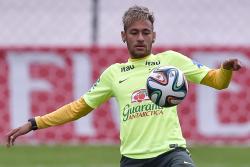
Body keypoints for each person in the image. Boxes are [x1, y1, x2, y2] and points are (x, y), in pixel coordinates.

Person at [6, 5, 242, 167]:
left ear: (154, 36)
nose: (140, 37)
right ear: (124, 36)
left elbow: (216, 81)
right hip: (133, 159)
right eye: (134, 32)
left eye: (145, 32)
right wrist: (35, 123)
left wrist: (226, 70)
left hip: (171, 153)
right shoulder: (114, 74)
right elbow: (78, 108)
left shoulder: (171, 61)